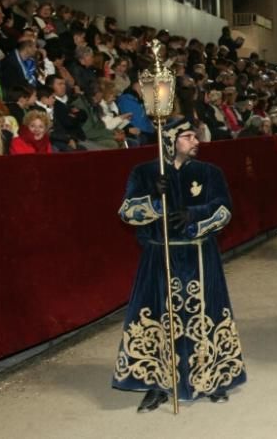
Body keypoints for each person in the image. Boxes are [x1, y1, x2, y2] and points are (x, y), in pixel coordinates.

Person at [112, 118, 246, 412]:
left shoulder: (210, 172)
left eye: (195, 136)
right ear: (170, 140)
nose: (195, 141)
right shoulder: (145, 172)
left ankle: (213, 378)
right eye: (188, 136)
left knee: (206, 313)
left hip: (199, 255)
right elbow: (127, 212)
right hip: (159, 257)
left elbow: (224, 209)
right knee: (160, 317)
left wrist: (194, 215)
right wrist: (154, 200)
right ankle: (158, 384)